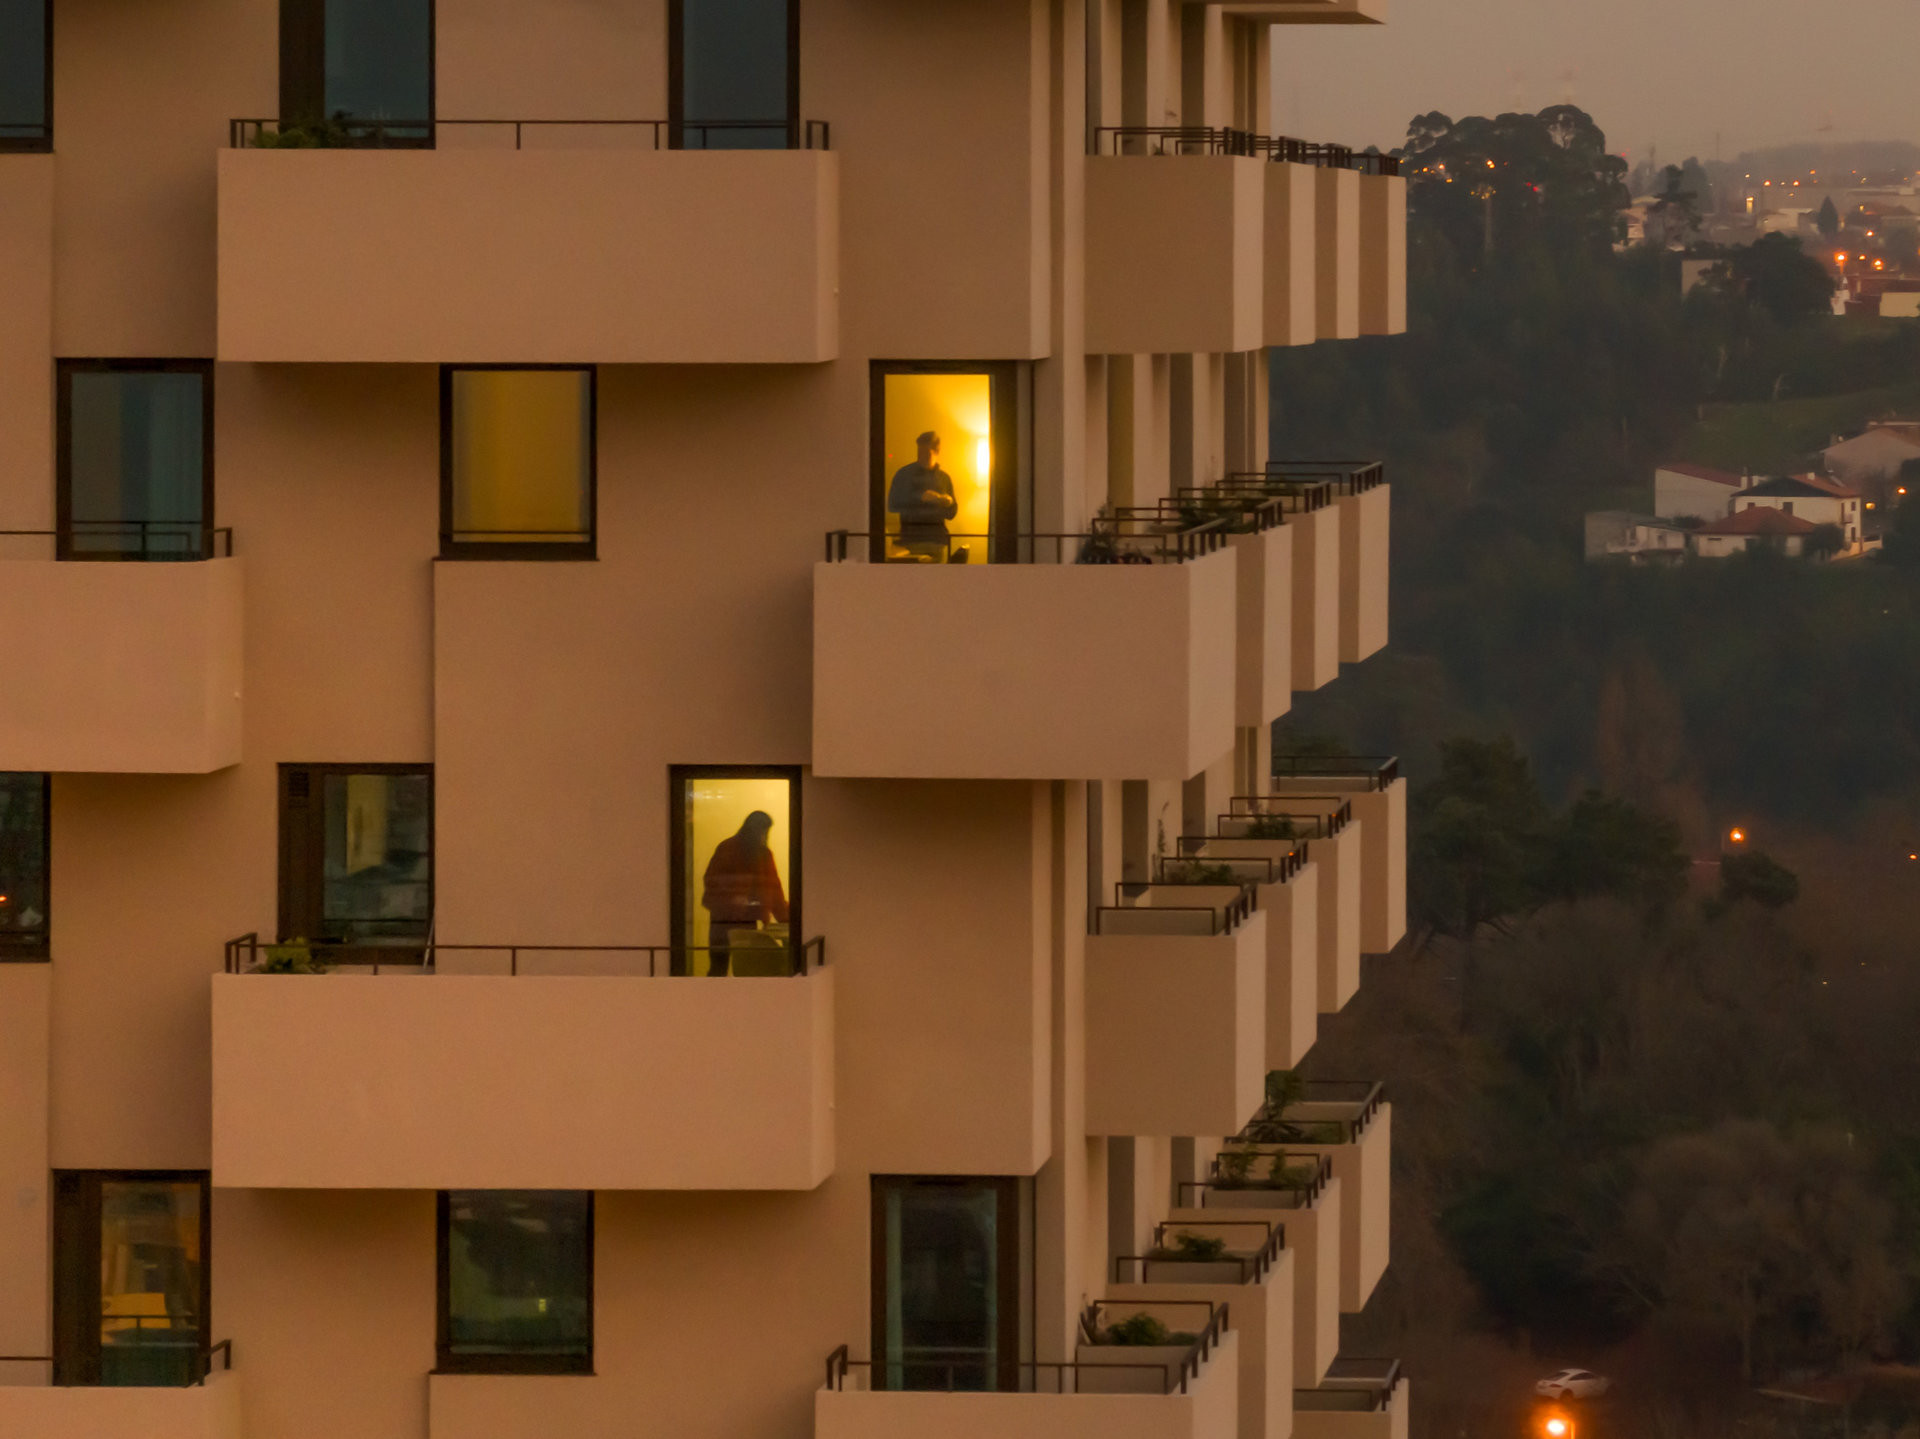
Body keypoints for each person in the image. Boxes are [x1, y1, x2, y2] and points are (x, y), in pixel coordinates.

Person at [699, 810, 790, 976]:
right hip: (732, 920)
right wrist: (785, 917)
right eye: (763, 830)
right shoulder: (752, 853)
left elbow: (773, 889)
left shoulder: (732, 848)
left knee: (729, 970)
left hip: (728, 920)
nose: (763, 835)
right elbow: (773, 889)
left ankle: (713, 1000)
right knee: (739, 970)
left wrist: (786, 917)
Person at [887, 431, 960, 560]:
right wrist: (920, 497)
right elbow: (892, 505)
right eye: (920, 453)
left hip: (937, 542)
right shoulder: (904, 475)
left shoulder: (944, 478)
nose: (922, 457)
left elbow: (952, 514)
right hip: (911, 542)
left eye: (927, 454)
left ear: (937, 451)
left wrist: (949, 503)